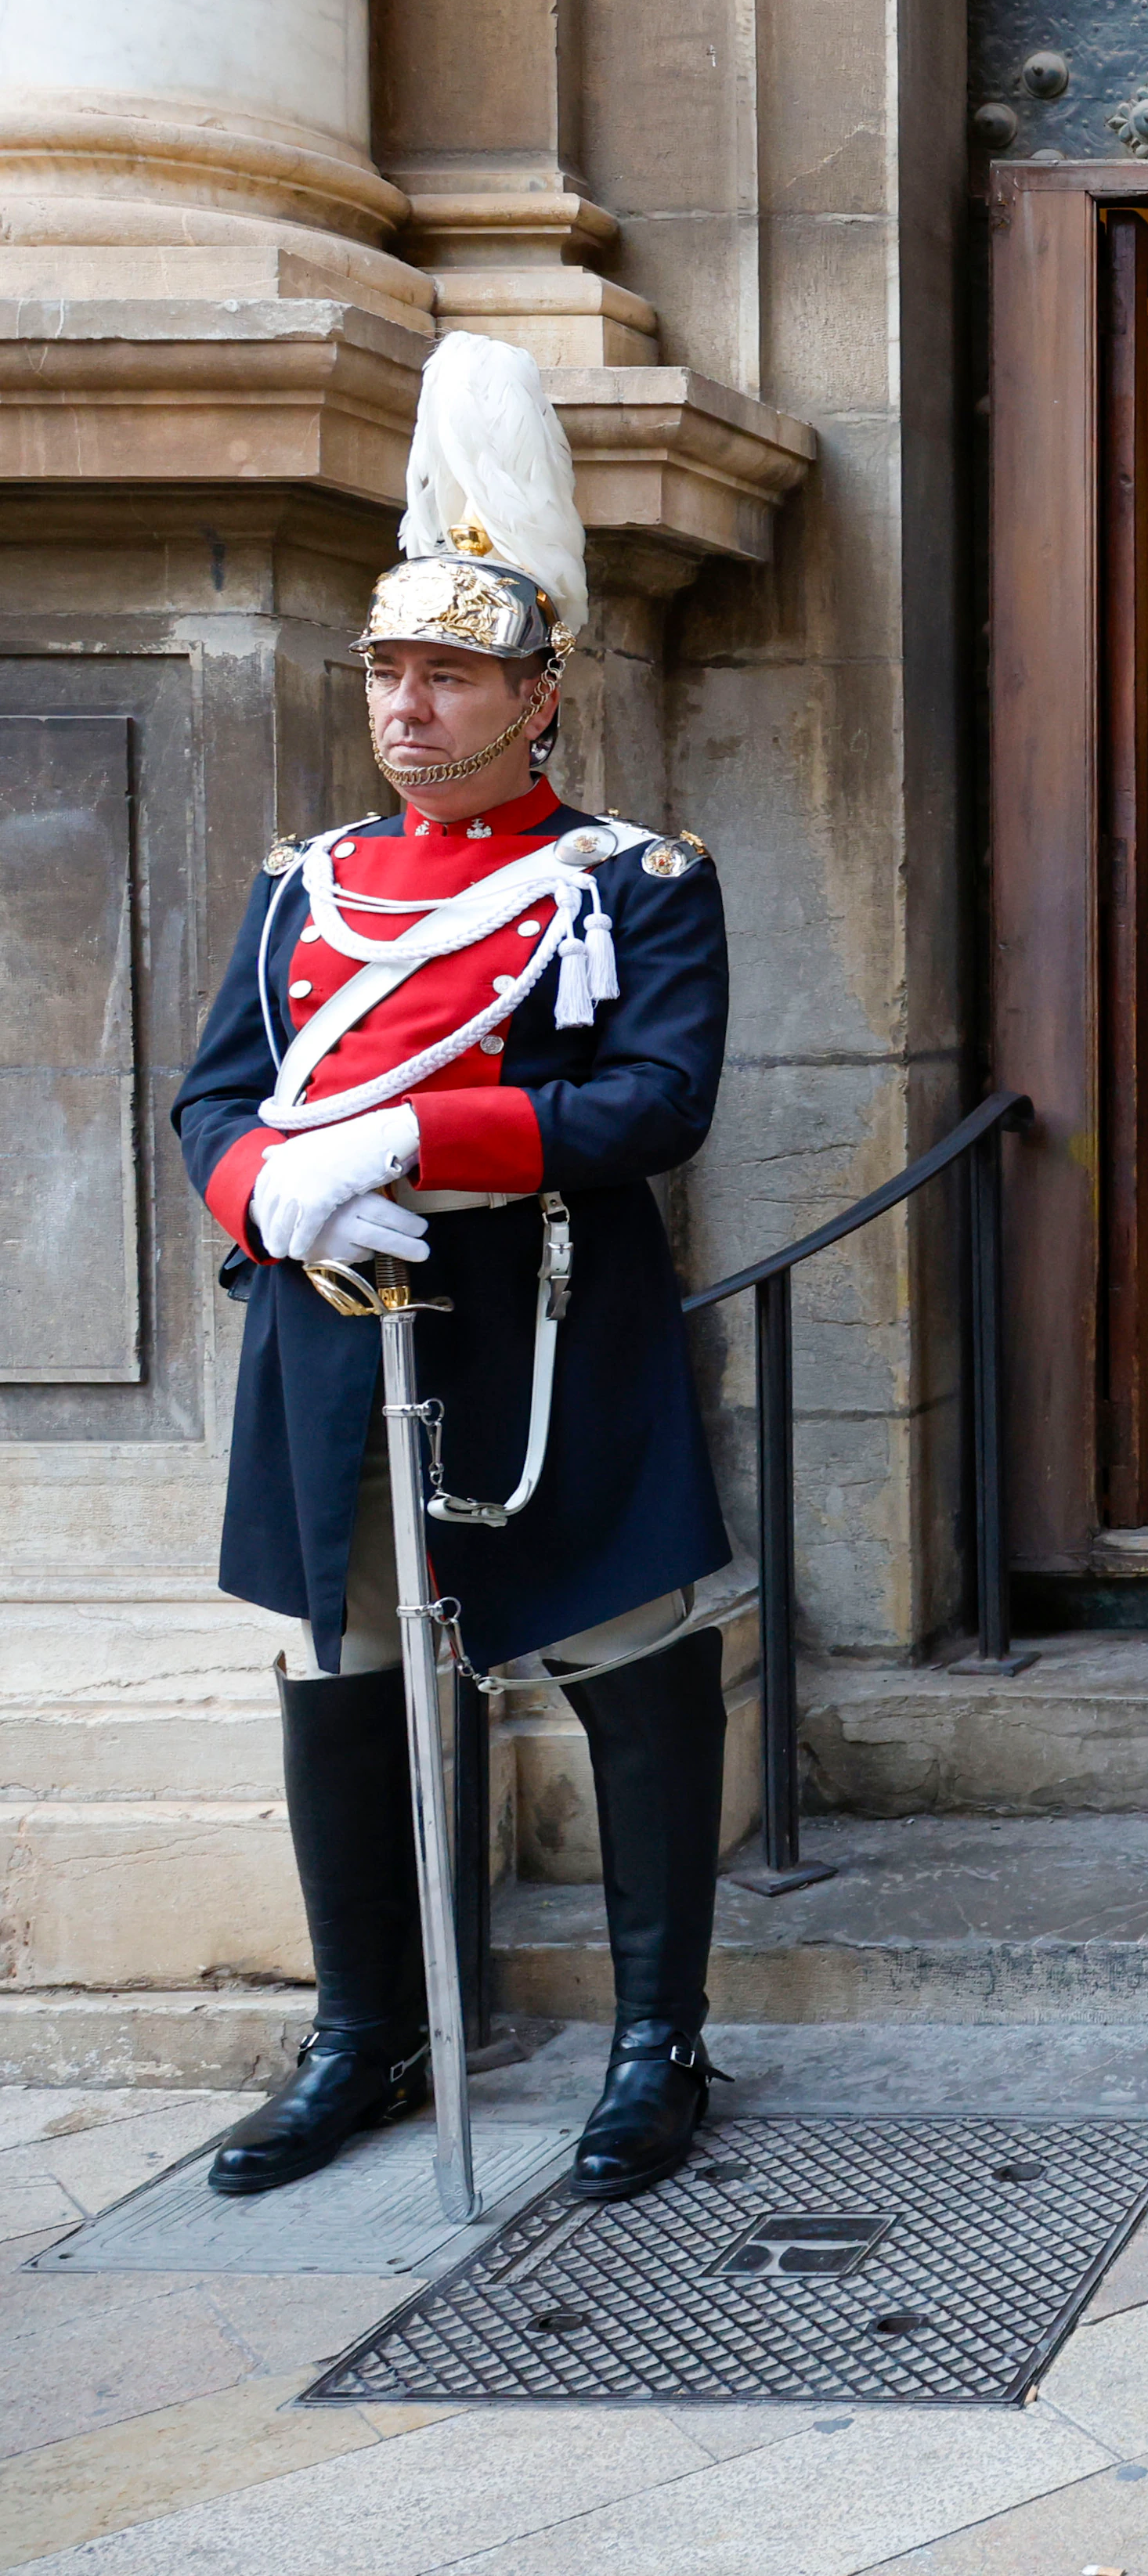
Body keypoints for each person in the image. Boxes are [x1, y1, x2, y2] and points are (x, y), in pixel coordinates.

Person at [171, 333, 738, 2207]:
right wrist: (281, 1190)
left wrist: (418, 1139)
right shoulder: (302, 876)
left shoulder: (632, 880)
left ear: (537, 694)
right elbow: (214, 1092)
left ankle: (662, 2039)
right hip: (335, 1337)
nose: (406, 709)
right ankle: (373, 2027)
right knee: (343, 1667)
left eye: (449, 674)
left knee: (626, 1659)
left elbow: (655, 1100)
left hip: (547, 1329)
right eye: (388, 674)